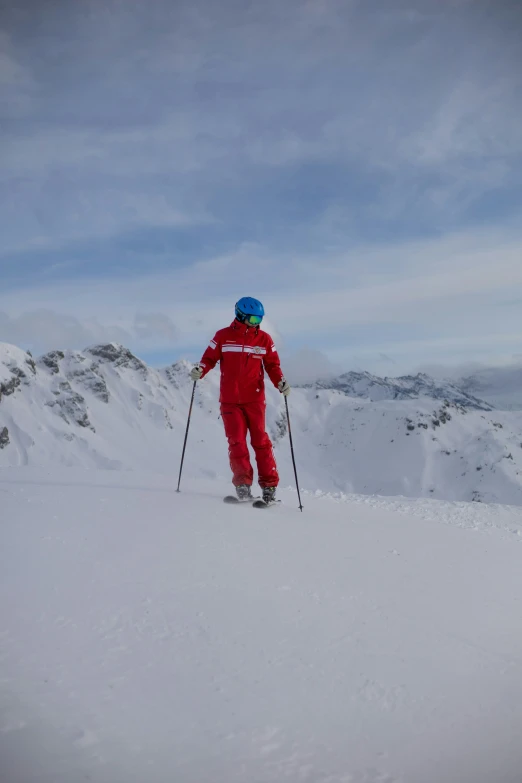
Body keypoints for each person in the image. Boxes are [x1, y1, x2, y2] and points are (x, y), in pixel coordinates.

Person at [190, 297, 290, 504]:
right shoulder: (223, 337)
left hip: (254, 399)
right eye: (253, 319)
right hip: (230, 400)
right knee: (236, 442)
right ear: (241, 315)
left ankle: (269, 487)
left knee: (260, 442)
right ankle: (243, 486)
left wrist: (280, 382)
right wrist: (201, 370)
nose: (256, 323)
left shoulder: (264, 340)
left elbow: (272, 365)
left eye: (259, 319)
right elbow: (209, 358)